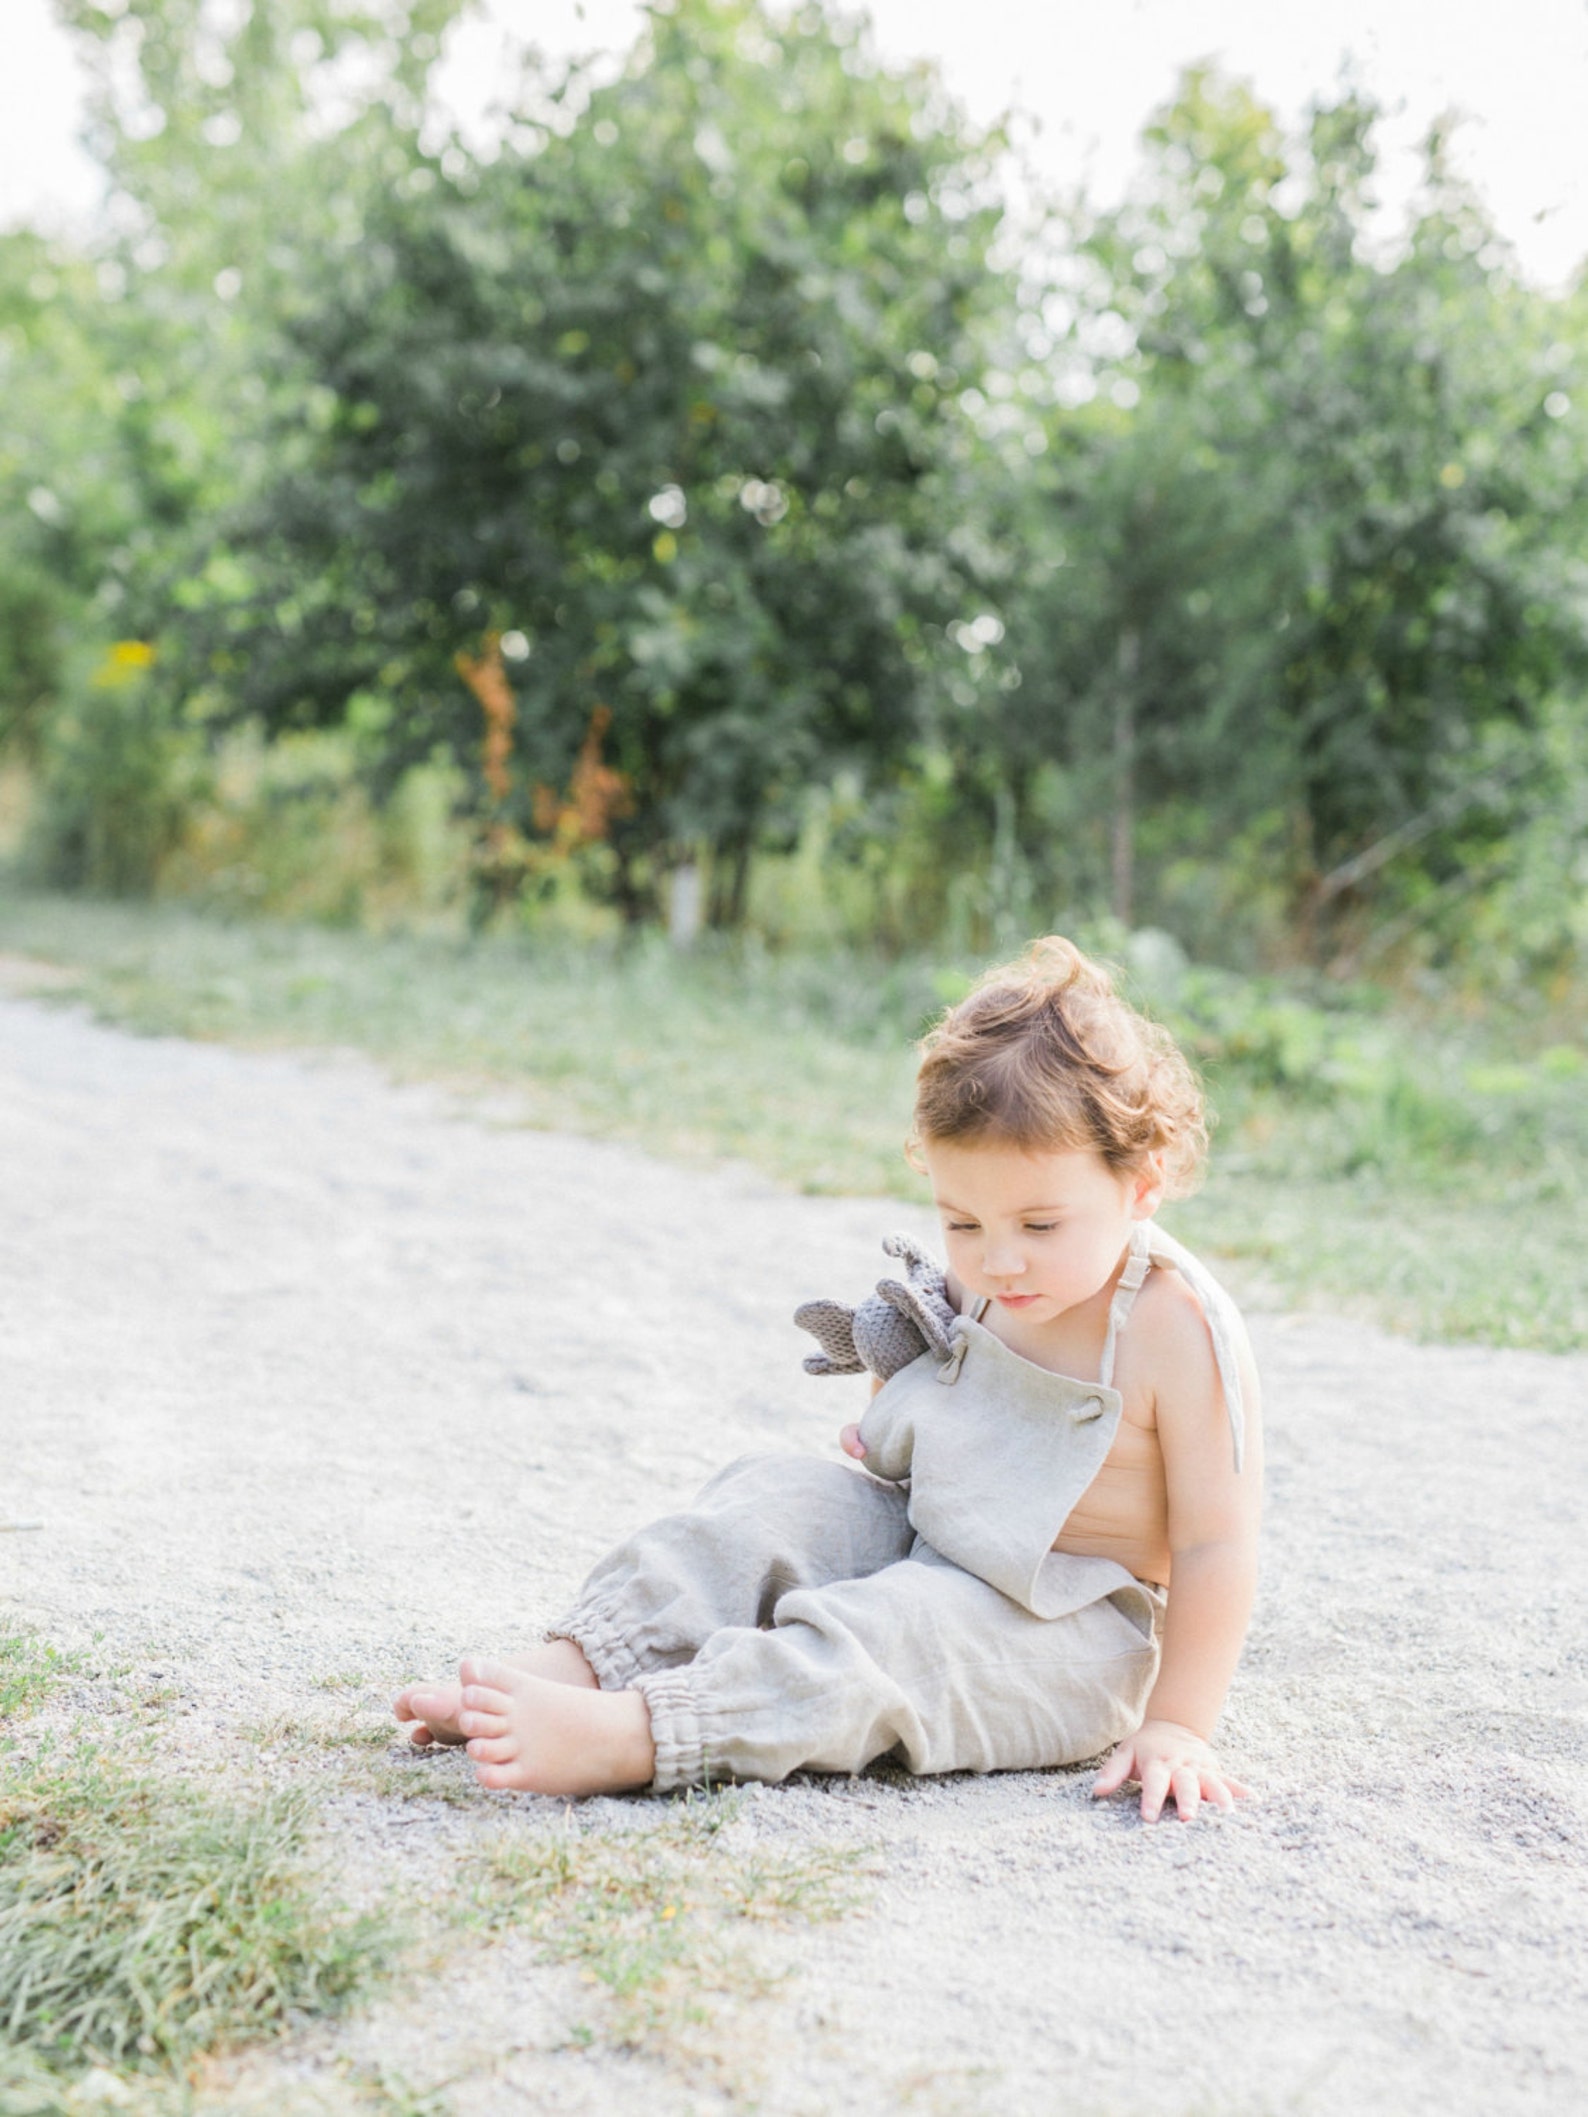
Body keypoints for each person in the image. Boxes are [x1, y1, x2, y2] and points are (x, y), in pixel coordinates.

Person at [394, 936, 1262, 1822]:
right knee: (770, 1499)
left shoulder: (1172, 1327)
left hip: (1070, 1626)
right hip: (940, 1536)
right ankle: (584, 1663)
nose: (999, 1260)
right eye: (963, 1221)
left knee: (892, 1636)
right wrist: (892, 1410)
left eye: (1040, 1223)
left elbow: (1214, 1545)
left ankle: (640, 1733)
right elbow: (947, 1394)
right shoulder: (996, 1270)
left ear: (1143, 1179)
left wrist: (1179, 1725)